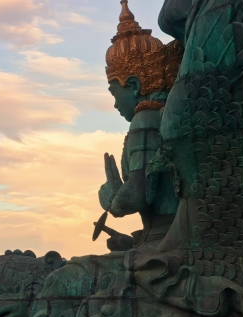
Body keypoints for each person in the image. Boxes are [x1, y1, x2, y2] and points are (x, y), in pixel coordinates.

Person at [98, 0, 183, 249]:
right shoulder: (171, 114)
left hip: (162, 240)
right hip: (171, 234)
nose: (115, 104)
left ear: (134, 85)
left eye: (114, 92)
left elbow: (137, 195)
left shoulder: (145, 119)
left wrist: (110, 195)